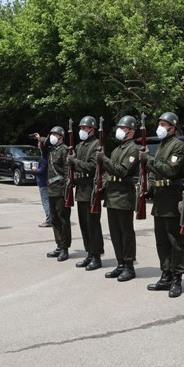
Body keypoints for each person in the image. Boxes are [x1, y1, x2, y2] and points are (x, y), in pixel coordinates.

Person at [141, 112, 184, 297]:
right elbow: (155, 172)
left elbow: (170, 170)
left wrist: (149, 161)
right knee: (161, 240)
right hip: (160, 197)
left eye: (163, 124)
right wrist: (150, 188)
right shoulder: (162, 145)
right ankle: (165, 273)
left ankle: (177, 277)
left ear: (172, 127)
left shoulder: (178, 146)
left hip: (171, 196)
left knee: (174, 240)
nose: (159, 127)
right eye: (159, 123)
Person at [99, 115, 140, 281]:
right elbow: (109, 171)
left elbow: (122, 171)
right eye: (120, 128)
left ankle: (129, 267)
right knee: (115, 233)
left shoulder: (132, 149)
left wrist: (104, 159)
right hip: (112, 195)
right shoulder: (117, 149)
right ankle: (120, 263)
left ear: (131, 131)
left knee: (126, 233)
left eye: (123, 128)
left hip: (124, 195)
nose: (120, 131)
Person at [68, 116, 105, 270]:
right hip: (81, 189)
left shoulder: (97, 145)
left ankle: (96, 256)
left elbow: (91, 167)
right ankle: (89, 253)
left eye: (84, 128)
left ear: (92, 129)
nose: (81, 131)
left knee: (93, 224)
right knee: (84, 224)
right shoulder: (80, 145)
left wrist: (74, 162)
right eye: (81, 128)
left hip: (90, 189)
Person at [44, 126, 72, 261]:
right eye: (51, 134)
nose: (52, 137)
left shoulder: (64, 150)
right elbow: (43, 146)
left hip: (61, 190)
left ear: (61, 136)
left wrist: (66, 190)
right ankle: (59, 245)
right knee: (54, 219)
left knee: (63, 219)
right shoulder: (51, 150)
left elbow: (67, 172)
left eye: (54, 134)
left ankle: (65, 248)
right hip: (51, 189)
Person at [34, 133, 53, 227]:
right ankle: (51, 219)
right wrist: (39, 137)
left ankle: (49, 220)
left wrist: (34, 170)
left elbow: (42, 170)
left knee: (45, 202)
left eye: (38, 143)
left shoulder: (44, 157)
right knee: (48, 201)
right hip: (47, 181)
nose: (37, 145)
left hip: (44, 182)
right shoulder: (49, 153)